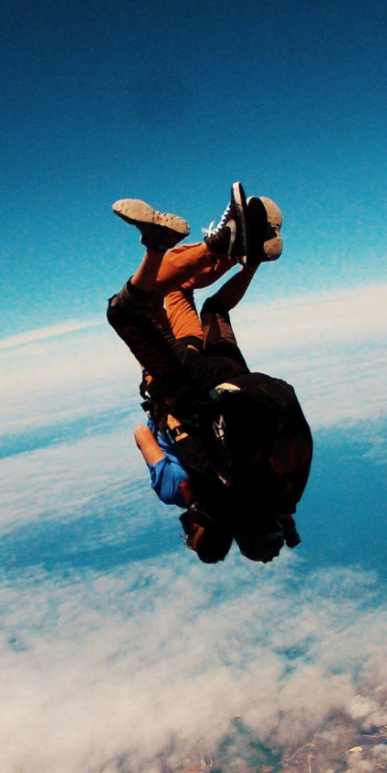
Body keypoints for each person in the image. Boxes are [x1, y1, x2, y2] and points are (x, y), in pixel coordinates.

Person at [106, 183, 311, 563]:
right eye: (191, 533)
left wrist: (286, 524)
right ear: (204, 527)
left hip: (236, 378)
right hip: (183, 384)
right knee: (129, 311)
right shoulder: (186, 492)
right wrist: (170, 424)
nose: (186, 528)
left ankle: (248, 258)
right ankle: (169, 244)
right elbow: (143, 437)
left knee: (205, 305)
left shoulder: (280, 496)